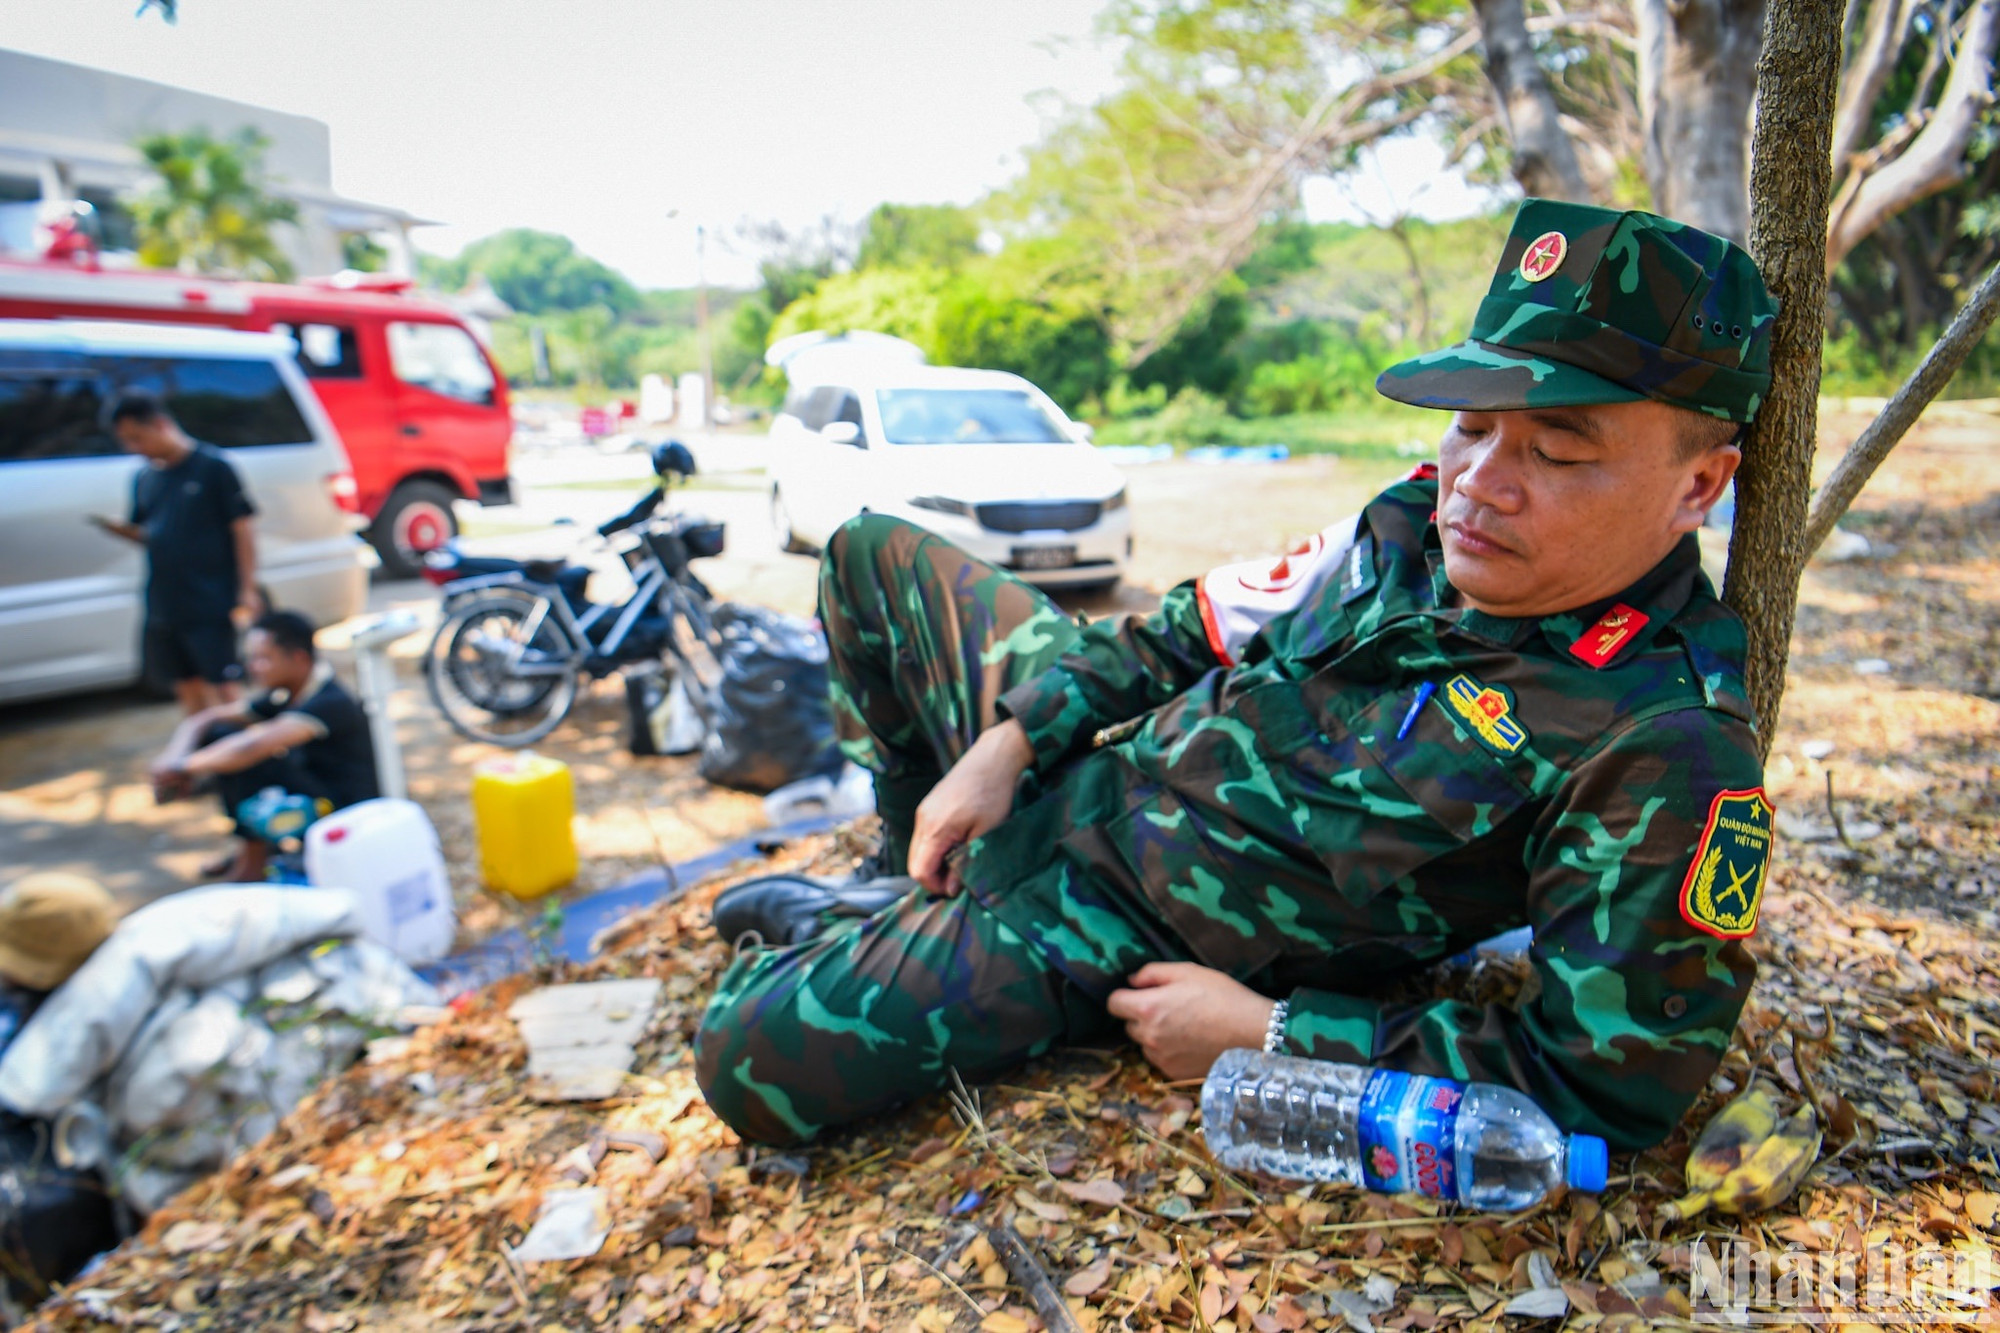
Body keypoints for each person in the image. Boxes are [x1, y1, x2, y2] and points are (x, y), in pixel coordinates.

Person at [695, 199, 1778, 1154]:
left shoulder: (1661, 742)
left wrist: (1269, 1034)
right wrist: (1009, 741)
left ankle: (889, 922)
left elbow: (1605, 1086)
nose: (1478, 483)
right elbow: (1192, 629)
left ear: (1697, 484)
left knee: (740, 1060)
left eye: (1556, 449)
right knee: (867, 549)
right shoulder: (1413, 519)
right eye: (1471, 424)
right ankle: (906, 871)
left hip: (1103, 920)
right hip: (1106, 768)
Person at [151, 610, 379, 882]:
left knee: (249, 760)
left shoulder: (329, 701)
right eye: (253, 658)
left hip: (342, 805)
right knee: (222, 735)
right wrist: (174, 756)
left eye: (263, 659)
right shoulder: (288, 690)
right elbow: (207, 719)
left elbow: (251, 747)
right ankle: (250, 850)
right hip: (312, 785)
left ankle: (254, 862)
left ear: (299, 658)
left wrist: (181, 767)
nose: (254, 667)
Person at [88, 388, 263, 715]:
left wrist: (247, 589)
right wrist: (123, 532)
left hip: (209, 598)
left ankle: (246, 756)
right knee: (185, 685)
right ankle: (204, 752)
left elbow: (242, 529)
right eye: (126, 441)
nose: (134, 448)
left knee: (225, 686)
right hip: (165, 603)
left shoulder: (213, 468)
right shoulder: (145, 477)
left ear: (160, 424)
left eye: (138, 437)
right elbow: (150, 533)